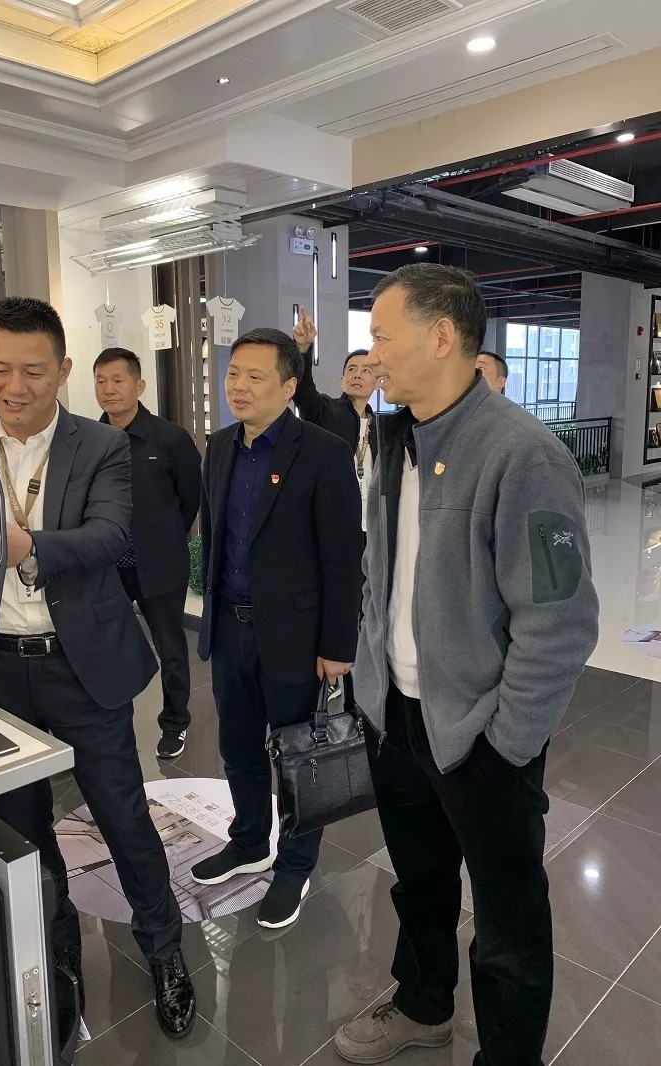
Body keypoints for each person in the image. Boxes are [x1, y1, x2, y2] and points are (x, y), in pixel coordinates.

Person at [334, 265, 598, 1066]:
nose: (371, 356)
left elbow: (560, 623)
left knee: (508, 916)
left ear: (442, 336)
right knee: (419, 882)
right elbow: (380, 571)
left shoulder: (525, 455)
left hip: (481, 735)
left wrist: (505, 745)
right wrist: (370, 684)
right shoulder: (393, 440)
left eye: (383, 336)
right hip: (397, 716)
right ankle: (423, 1006)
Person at [0, 297, 195, 1039]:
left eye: (34, 371)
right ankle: (56, 946)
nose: (16, 386)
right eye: (0, 368)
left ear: (63, 370)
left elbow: (110, 537)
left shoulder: (99, 445)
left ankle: (163, 947)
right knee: (21, 826)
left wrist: (25, 545)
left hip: (81, 666)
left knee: (122, 814)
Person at [192, 327, 363, 930]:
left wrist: (338, 645)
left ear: (289, 386)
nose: (238, 386)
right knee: (238, 747)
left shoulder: (322, 452)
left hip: (295, 637)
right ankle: (248, 842)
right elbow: (215, 537)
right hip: (230, 629)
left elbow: (342, 557)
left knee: (298, 757)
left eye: (255, 376)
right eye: (233, 373)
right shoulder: (219, 447)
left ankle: (294, 865)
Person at [94, 347, 202, 759]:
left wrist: (164, 536)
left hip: (159, 563)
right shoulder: (89, 439)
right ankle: (108, 721)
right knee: (104, 644)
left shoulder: (170, 438)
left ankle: (175, 723)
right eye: (101, 381)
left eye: (118, 380)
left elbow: (190, 499)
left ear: (139, 386)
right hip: (108, 566)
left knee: (170, 647)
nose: (109, 389)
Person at [292, 307, 378, 536]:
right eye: (351, 369)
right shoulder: (325, 410)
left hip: (373, 528)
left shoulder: (382, 427)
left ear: (377, 382)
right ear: (342, 380)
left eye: (366, 370)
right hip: (335, 524)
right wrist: (303, 349)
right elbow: (303, 390)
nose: (357, 374)